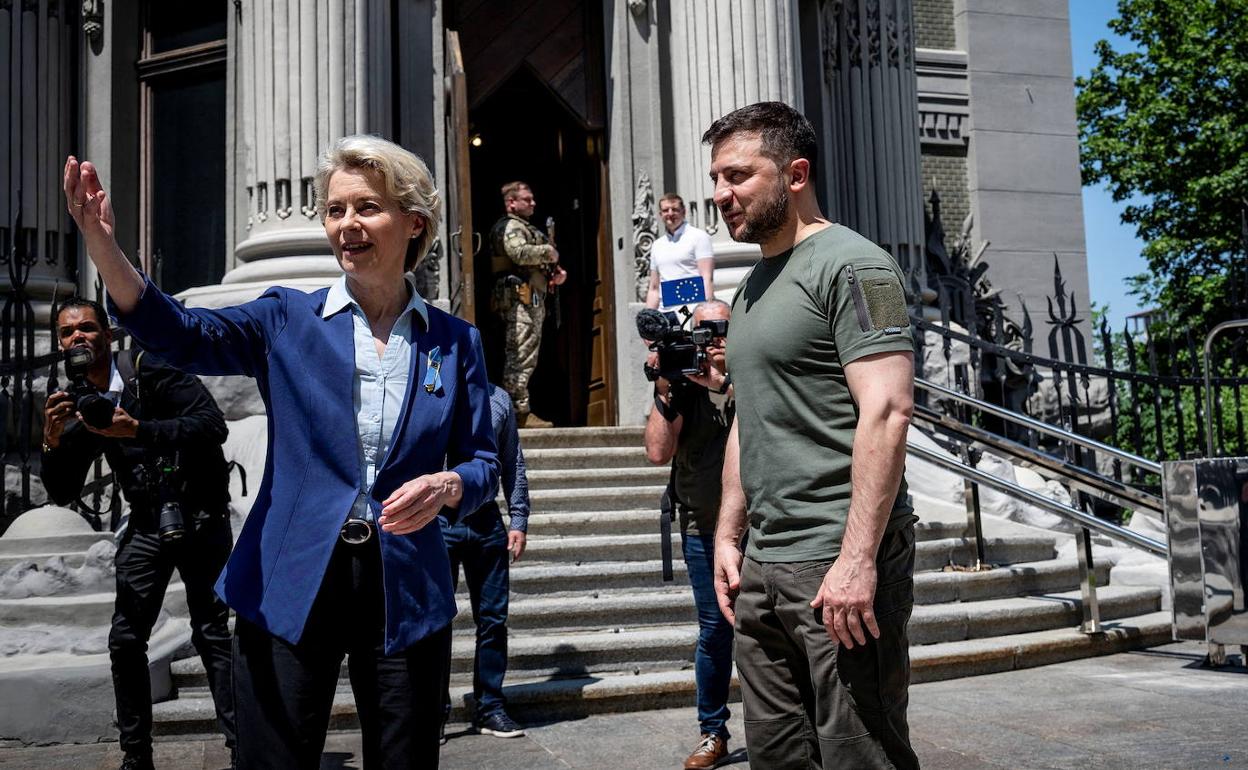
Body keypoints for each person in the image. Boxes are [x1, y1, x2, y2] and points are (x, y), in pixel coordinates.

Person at [62, 134, 500, 770]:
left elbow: (485, 462)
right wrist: (105, 249)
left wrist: (451, 487)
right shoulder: (287, 318)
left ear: (414, 222)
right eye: (335, 209)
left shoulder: (456, 342)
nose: (346, 224)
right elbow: (180, 335)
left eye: (366, 207)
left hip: (405, 585)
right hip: (291, 576)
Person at [705, 101, 919, 770]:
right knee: (778, 758)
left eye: (738, 176)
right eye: (715, 178)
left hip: (837, 559)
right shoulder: (749, 291)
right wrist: (727, 533)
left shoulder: (854, 265)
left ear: (795, 173)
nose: (720, 195)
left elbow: (888, 410)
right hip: (765, 567)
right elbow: (751, 416)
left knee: (863, 756)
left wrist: (857, 559)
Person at [40, 297, 235, 770]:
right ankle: (136, 758)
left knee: (212, 632)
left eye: (87, 328)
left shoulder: (154, 369)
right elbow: (63, 492)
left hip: (200, 515)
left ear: (108, 334)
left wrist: (140, 429)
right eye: (67, 333)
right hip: (147, 522)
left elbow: (213, 427)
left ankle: (242, 747)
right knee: (126, 640)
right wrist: (51, 440)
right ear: (60, 344)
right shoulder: (82, 402)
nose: (78, 338)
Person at [643, 300, 735, 770]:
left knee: (770, 627)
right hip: (702, 525)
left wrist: (723, 384)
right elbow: (658, 452)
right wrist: (665, 387)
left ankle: (784, 726)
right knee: (715, 629)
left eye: (720, 328)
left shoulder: (750, 372)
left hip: (757, 526)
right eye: (702, 331)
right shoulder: (679, 382)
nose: (712, 339)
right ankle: (712, 731)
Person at [440, 383, 530, 742]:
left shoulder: (498, 399)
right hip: (437, 521)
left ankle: (490, 707)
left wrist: (519, 519)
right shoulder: (430, 388)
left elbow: (513, 461)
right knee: (434, 621)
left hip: (486, 520)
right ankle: (433, 711)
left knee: (493, 618)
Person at [489, 181, 566, 428]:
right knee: (520, 354)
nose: (533, 203)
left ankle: (517, 410)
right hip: (519, 299)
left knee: (527, 352)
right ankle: (517, 413)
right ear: (511, 202)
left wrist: (555, 272)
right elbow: (518, 253)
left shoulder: (526, 227)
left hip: (532, 297)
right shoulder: (511, 226)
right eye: (527, 199)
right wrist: (547, 252)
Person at [644, 194, 715, 310]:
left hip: (693, 311)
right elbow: (654, 288)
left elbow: (706, 279)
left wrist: (707, 312)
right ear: (660, 214)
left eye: (675, 209)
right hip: (665, 314)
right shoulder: (657, 245)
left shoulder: (699, 237)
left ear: (684, 211)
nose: (670, 213)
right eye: (665, 210)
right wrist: (648, 318)